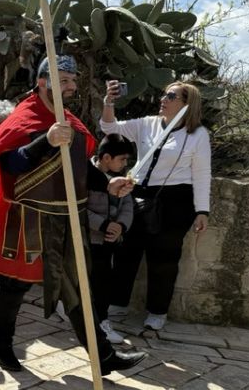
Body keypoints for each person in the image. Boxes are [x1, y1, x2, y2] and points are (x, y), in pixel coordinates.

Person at [0, 55, 146, 376]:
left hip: (62, 218)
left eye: (73, 81)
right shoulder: (23, 118)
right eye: (65, 81)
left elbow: (79, 166)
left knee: (73, 287)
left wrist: (108, 182)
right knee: (14, 286)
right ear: (43, 82)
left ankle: (103, 356)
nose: (72, 87)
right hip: (25, 218)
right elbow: (7, 163)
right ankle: (0, 345)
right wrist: (45, 141)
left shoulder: (67, 120)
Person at [100, 80, 211, 331]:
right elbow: (109, 127)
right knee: (126, 250)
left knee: (165, 257)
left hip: (176, 200)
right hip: (138, 194)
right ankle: (117, 302)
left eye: (171, 96)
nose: (164, 99)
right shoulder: (147, 123)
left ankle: (157, 311)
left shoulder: (198, 135)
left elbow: (202, 174)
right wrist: (109, 102)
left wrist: (202, 210)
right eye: (164, 94)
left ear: (186, 104)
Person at [86, 133, 135, 344]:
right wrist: (103, 224)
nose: (125, 164)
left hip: (108, 242)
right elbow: (80, 208)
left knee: (103, 283)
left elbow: (127, 206)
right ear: (106, 158)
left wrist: (120, 227)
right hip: (89, 240)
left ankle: (101, 321)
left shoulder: (122, 179)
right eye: (122, 159)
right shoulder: (86, 175)